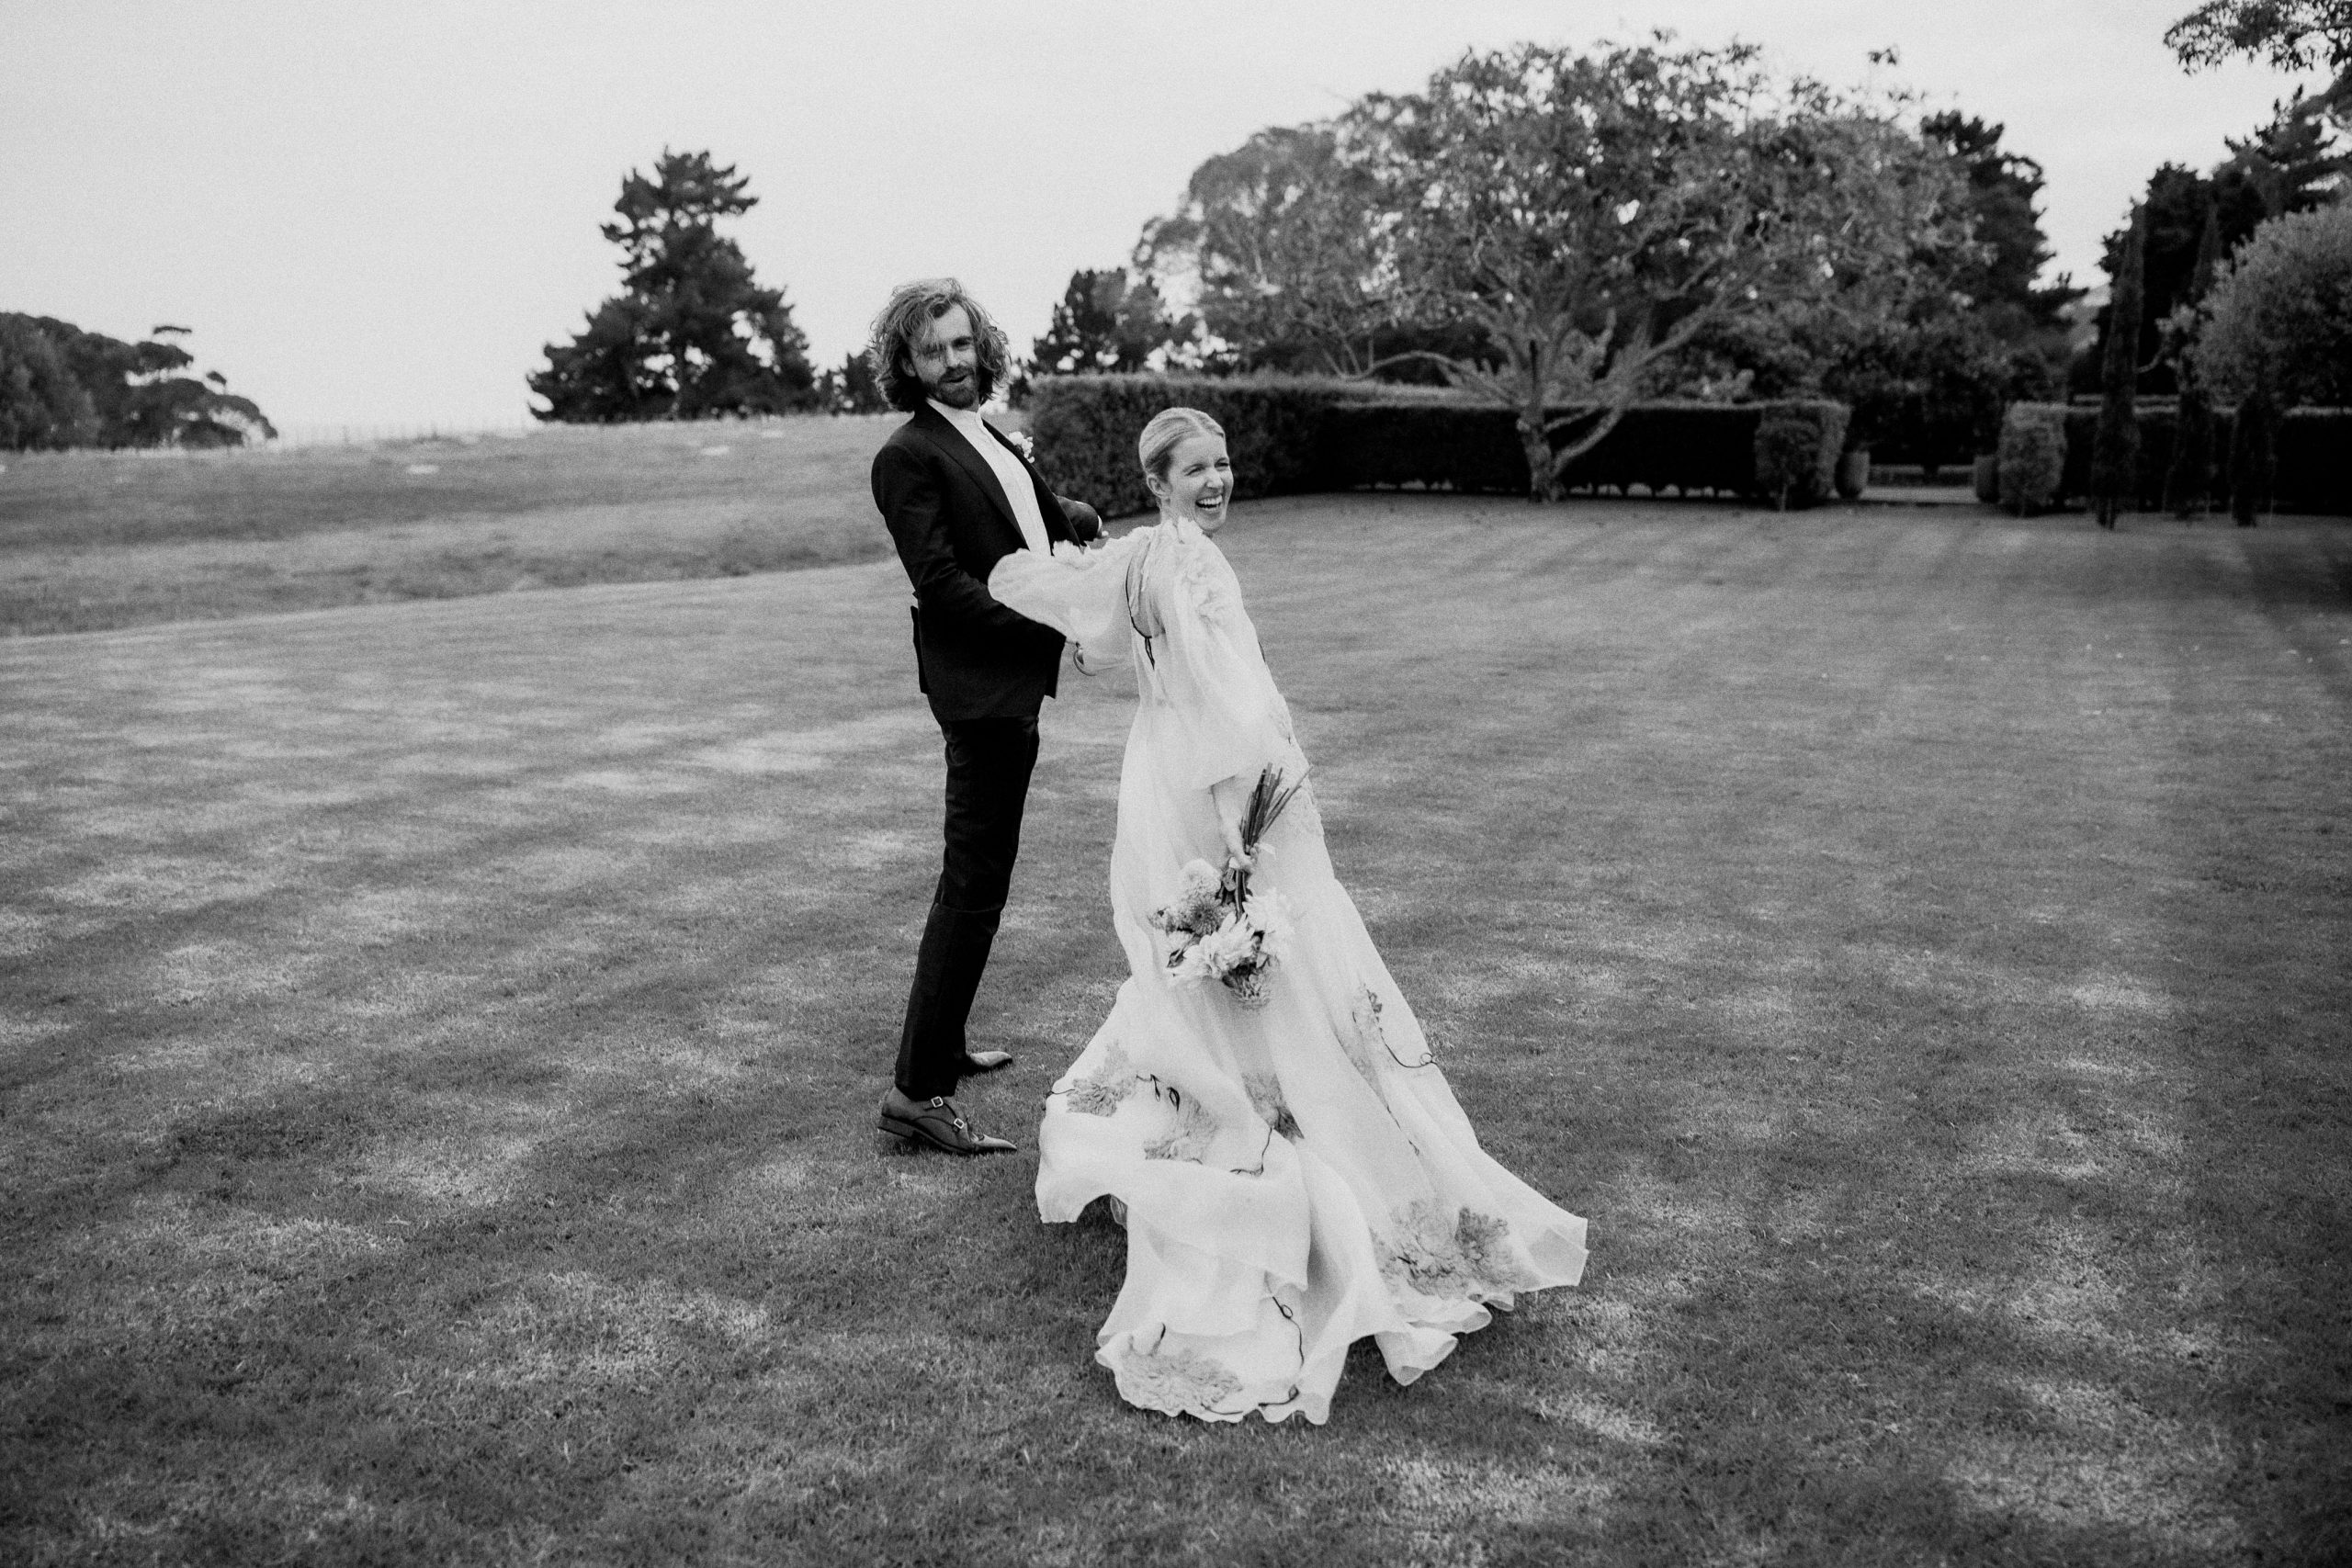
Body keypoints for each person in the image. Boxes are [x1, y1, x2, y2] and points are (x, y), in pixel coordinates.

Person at [988, 409, 1587, 1424]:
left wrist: (1044, 556)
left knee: (1229, 961)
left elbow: (1034, 588)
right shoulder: (1181, 568)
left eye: (1223, 465)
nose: (1216, 481)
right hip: (1216, 783)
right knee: (1261, 942)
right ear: (1160, 479)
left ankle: (1231, 1078)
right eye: (1194, 470)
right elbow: (1221, 697)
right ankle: (1276, 1117)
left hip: (1164, 771)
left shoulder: (1144, 560)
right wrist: (1241, 826)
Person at [866, 278, 1102, 1156]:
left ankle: (945, 1046)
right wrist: (1056, 618)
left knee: (983, 881)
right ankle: (916, 1092)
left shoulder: (985, 433)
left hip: (1012, 687)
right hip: (979, 693)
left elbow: (1027, 522)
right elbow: (944, 585)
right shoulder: (907, 455)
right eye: (935, 350)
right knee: (971, 885)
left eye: (964, 344)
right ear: (908, 362)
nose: (955, 361)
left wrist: (1076, 525)